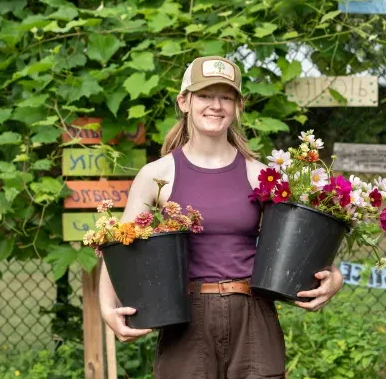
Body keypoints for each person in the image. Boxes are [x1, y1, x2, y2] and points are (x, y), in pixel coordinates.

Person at [99, 56, 344, 379]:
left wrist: (335, 277)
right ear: (184, 101)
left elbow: (303, 240)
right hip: (185, 318)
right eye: (204, 95)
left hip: (252, 316)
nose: (215, 105)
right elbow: (120, 248)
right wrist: (107, 308)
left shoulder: (263, 177)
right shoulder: (158, 174)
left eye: (225, 96)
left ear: (237, 106)